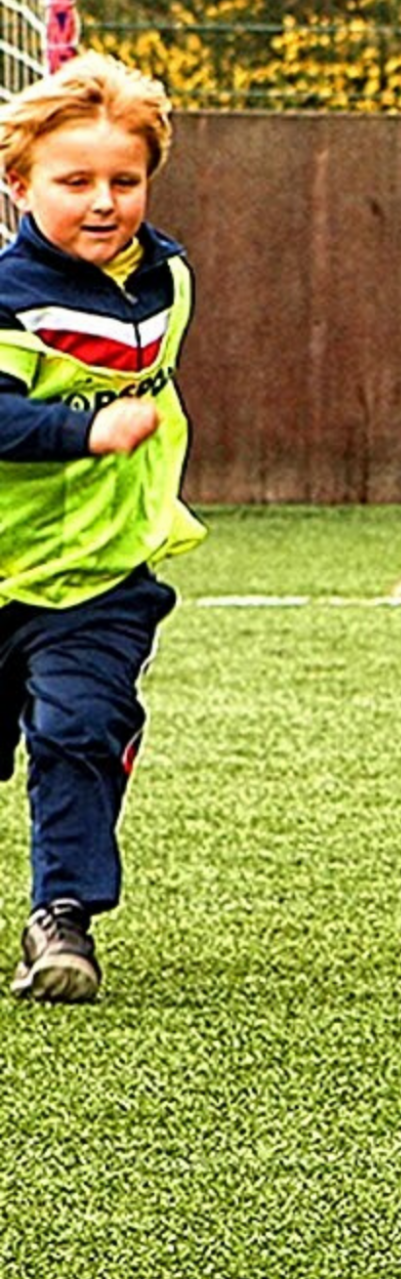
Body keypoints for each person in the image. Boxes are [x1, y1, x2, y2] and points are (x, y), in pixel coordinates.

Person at [0, 53, 201, 1005]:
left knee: (82, 726)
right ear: (20, 184)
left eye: (124, 181)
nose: (102, 202)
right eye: (73, 182)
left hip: (102, 576)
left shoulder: (167, 279)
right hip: (6, 566)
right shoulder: (6, 300)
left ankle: (63, 915)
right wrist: (86, 428)